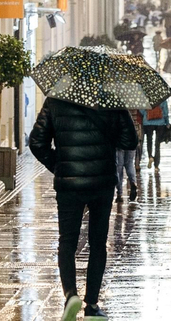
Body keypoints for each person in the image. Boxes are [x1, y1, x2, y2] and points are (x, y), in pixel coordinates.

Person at [29, 96, 140, 319]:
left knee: (67, 242)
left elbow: (37, 143)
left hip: (69, 185)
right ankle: (91, 306)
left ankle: (71, 294)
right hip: (102, 183)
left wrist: (60, 166)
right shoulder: (112, 99)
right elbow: (130, 141)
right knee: (98, 243)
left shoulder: (55, 100)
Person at [115, 108, 142, 200]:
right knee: (130, 163)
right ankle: (133, 183)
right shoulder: (134, 107)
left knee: (119, 167)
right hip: (132, 139)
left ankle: (119, 193)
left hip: (120, 142)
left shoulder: (115, 111)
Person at [142, 96, 170, 167]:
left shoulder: (145, 96)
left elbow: (141, 109)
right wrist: (167, 122)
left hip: (148, 122)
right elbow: (165, 111)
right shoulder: (161, 96)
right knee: (157, 144)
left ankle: (150, 156)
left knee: (149, 141)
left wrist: (145, 115)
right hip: (160, 122)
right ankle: (156, 165)